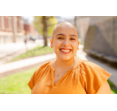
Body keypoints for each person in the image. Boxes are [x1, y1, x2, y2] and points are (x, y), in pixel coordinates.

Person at [28, 22, 111, 94]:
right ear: (52, 42)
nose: (66, 43)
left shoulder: (93, 73)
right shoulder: (40, 71)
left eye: (72, 38)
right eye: (60, 37)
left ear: (77, 45)